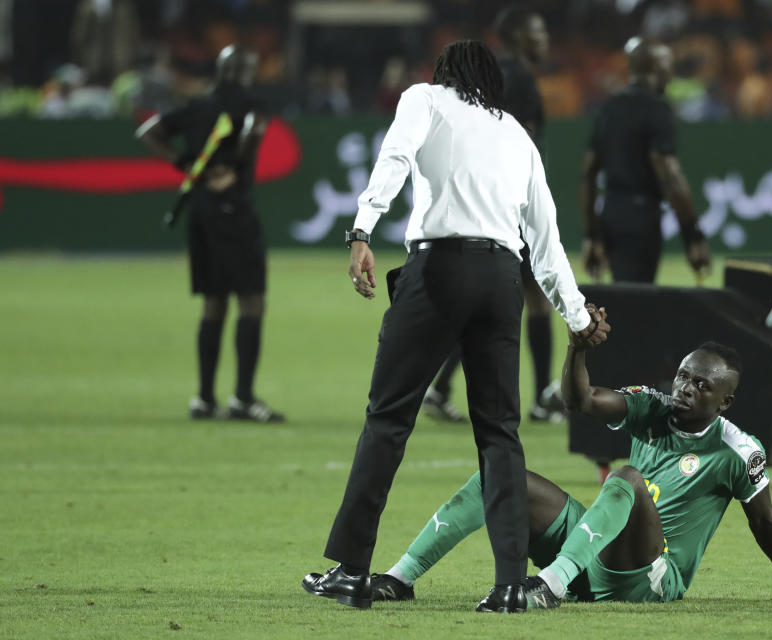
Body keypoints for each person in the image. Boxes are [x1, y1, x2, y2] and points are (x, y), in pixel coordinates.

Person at [301, 40, 610, 613]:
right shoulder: (518, 134)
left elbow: (394, 157)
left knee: (389, 416)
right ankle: (511, 585)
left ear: (444, 74)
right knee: (500, 433)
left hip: (439, 269)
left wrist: (363, 229)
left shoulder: (424, 99)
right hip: (500, 277)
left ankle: (349, 570)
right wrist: (576, 313)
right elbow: (546, 239)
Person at [367, 334, 772, 607]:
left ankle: (548, 588)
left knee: (626, 478)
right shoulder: (651, 407)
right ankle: (399, 578)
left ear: (724, 401)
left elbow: (766, 521)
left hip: (651, 576)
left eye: (700, 385)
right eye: (683, 375)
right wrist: (578, 347)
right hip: (593, 555)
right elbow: (580, 400)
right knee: (500, 477)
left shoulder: (737, 450)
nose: (684, 388)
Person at [423, 5, 566, 424]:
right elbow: (514, 144)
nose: (545, 41)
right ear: (519, 36)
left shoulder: (491, 77)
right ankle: (539, 398)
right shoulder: (518, 79)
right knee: (520, 300)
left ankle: (446, 387)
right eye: (537, 33)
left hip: (490, 201)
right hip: (510, 205)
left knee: (518, 300)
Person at [135, 45, 284, 423]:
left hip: (201, 213)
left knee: (213, 303)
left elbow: (149, 131)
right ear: (248, 71)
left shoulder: (198, 105)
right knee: (251, 302)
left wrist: (186, 163)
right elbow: (253, 132)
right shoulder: (252, 103)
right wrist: (234, 164)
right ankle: (243, 399)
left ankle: (204, 398)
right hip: (236, 211)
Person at [580, 36, 710, 285]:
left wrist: (592, 235)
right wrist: (693, 236)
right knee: (637, 302)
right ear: (657, 67)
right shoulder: (657, 109)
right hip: (641, 218)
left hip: (611, 212)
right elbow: (670, 175)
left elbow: (587, 174)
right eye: (668, 64)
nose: (671, 72)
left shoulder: (610, 108)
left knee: (625, 294)